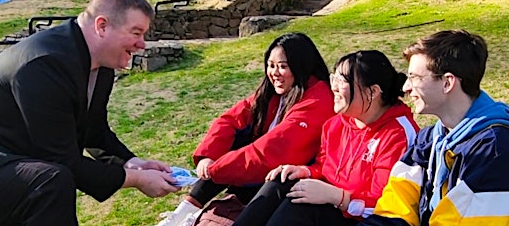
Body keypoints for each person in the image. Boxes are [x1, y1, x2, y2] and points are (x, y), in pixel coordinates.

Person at [0, 0, 179, 225]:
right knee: (52, 181)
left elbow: (94, 130)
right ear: (102, 26)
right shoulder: (45, 64)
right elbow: (64, 161)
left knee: (51, 179)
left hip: (16, 163)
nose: (142, 44)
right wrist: (135, 179)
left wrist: (132, 163)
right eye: (136, 33)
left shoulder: (100, 65)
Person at [156, 32, 335, 226]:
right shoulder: (276, 92)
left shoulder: (317, 100)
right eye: (271, 65)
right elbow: (229, 120)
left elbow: (271, 152)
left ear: (301, 67)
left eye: (283, 67)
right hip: (267, 168)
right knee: (233, 140)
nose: (274, 73)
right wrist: (207, 156)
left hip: (294, 172)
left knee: (277, 178)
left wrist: (215, 169)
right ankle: (184, 212)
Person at [232, 50, 420, 226]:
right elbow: (324, 167)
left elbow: (388, 206)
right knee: (281, 181)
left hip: (363, 217)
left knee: (301, 206)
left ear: (372, 91)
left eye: (342, 81)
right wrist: (305, 172)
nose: (334, 88)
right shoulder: (336, 124)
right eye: (334, 79)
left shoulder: (398, 134)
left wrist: (339, 198)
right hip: (333, 202)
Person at [359, 30, 509, 226]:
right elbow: (393, 211)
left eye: (414, 78)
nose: (405, 87)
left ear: (447, 83)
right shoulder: (429, 140)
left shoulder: (494, 150)